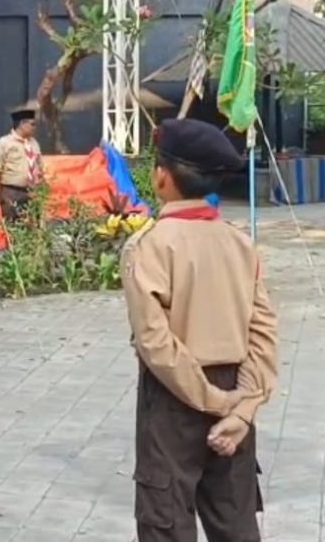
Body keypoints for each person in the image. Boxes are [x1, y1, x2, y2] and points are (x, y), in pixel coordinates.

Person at [122, 118, 278, 542]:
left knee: (166, 522)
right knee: (236, 524)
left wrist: (214, 402)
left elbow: (156, 344)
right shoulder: (239, 243)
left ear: (161, 176)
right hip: (236, 391)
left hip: (174, 399)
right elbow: (262, 336)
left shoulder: (149, 245)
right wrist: (240, 410)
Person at [0, 108, 43, 221]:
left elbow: (39, 166)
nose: (35, 128)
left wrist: (40, 188)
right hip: (12, 192)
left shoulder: (34, 143)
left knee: (32, 225)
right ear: (22, 124)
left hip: (32, 192)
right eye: (32, 124)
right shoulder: (4, 143)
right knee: (12, 224)